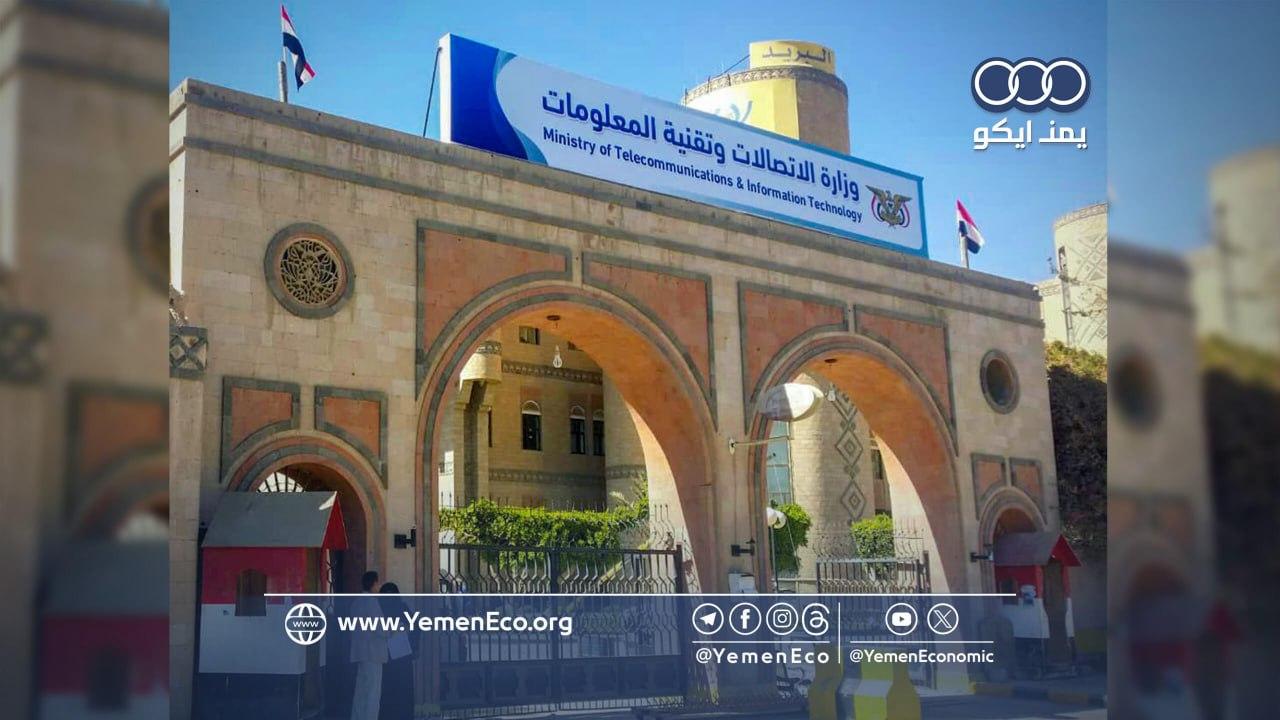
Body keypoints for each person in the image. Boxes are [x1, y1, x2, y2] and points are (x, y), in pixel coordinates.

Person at [349, 570, 387, 720]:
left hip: (360, 652)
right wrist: (394, 629)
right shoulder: (372, 602)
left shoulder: (356, 602)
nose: (379, 586)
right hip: (373, 653)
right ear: (373, 584)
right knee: (372, 693)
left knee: (360, 691)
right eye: (378, 583)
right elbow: (380, 628)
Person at [378, 583, 415, 720]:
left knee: (388, 688)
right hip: (401, 655)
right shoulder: (401, 607)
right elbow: (416, 626)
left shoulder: (380, 608)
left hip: (388, 656)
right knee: (401, 688)